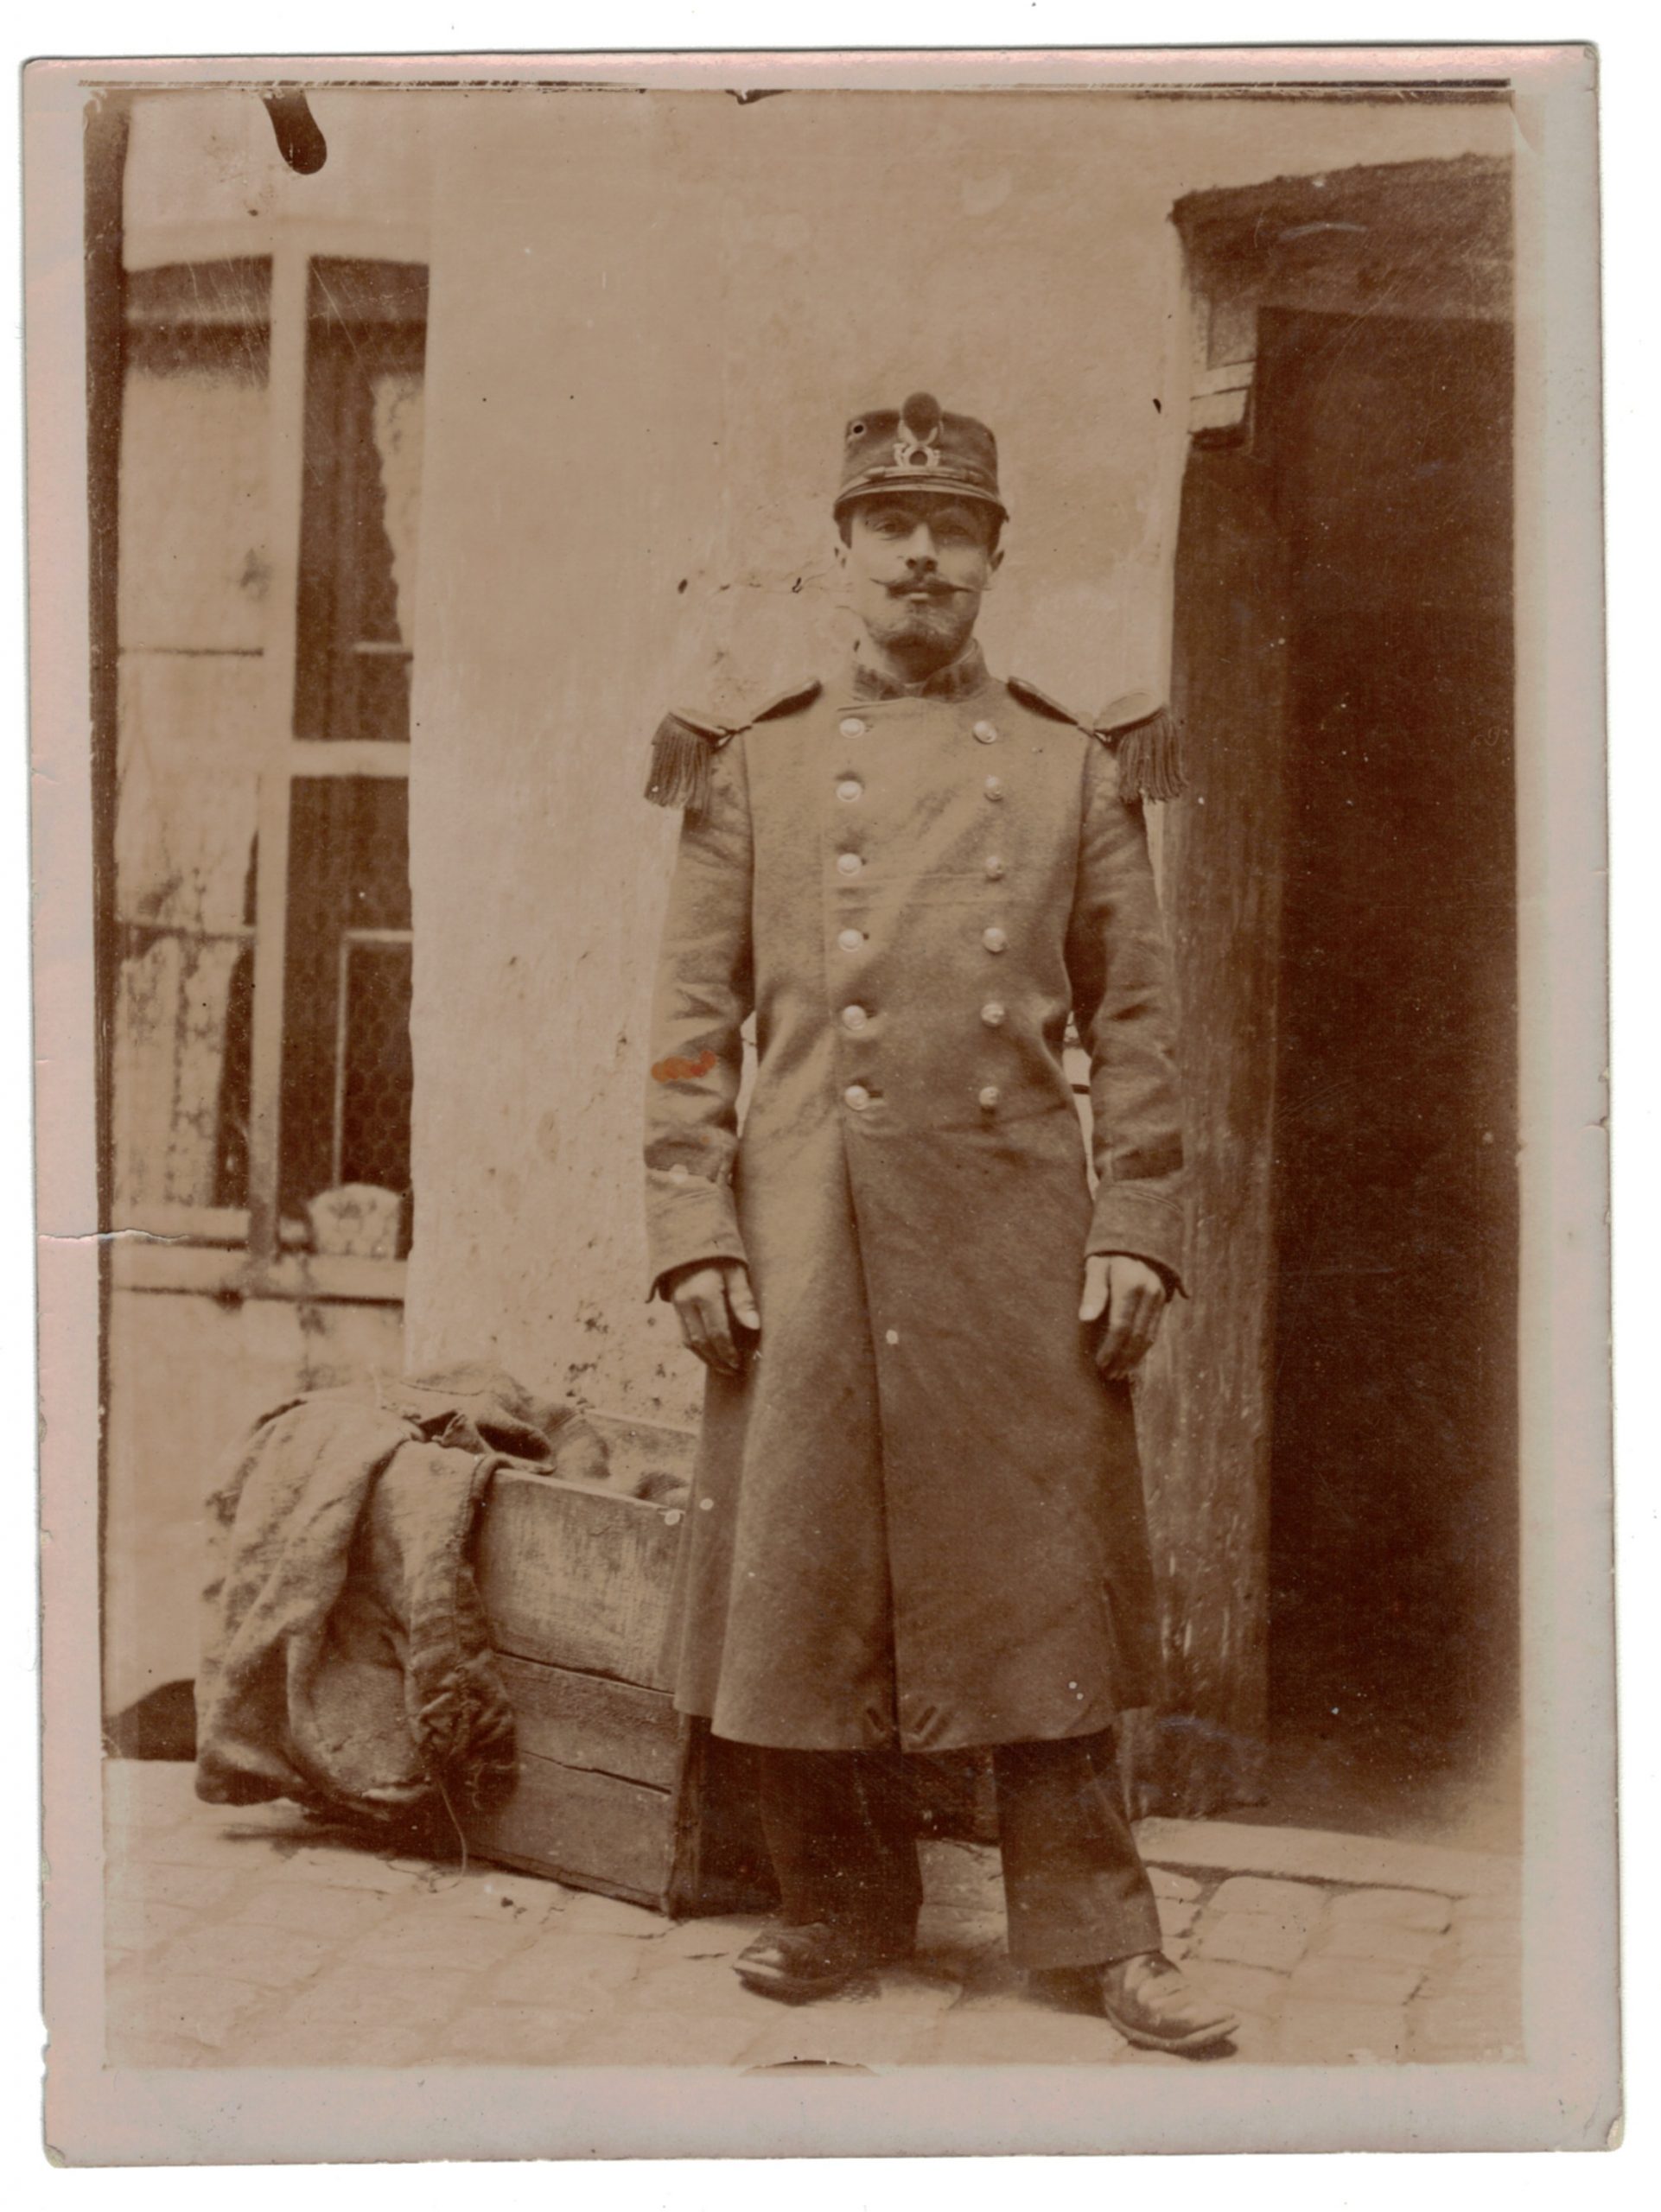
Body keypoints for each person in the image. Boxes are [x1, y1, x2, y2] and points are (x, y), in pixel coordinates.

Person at [641, 392, 1236, 2055]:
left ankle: (1093, 1936)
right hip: (806, 1220)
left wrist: (1137, 1224)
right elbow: (692, 1020)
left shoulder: (1071, 761)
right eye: (888, 524)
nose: (919, 551)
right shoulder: (749, 759)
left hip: (1011, 1225)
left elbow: (1138, 1027)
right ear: (840, 548)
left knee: (1038, 1574)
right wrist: (692, 1220)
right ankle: (837, 1904)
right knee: (805, 1567)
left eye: (952, 527)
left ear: (990, 555)